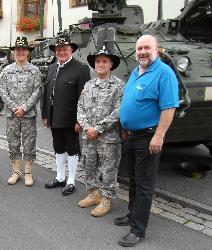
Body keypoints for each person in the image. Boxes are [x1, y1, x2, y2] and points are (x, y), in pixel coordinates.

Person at [115, 35, 179, 247]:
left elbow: (169, 107)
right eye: (139, 48)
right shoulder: (136, 71)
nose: (142, 51)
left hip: (148, 137)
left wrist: (159, 136)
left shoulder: (164, 73)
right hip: (131, 136)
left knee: (144, 185)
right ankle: (133, 215)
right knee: (133, 179)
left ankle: (138, 229)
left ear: (157, 51)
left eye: (147, 48)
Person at [77, 46, 124, 217]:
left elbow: (118, 112)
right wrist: (86, 126)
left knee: (108, 169)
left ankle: (106, 200)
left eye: (105, 61)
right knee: (88, 166)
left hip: (108, 138)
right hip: (88, 136)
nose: (101, 64)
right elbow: (80, 107)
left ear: (111, 64)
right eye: (98, 61)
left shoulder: (119, 86)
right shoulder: (88, 85)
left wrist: (98, 129)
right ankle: (94, 194)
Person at [42, 34, 90, 196]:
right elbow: (46, 93)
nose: (61, 52)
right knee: (58, 147)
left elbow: (83, 98)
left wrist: (80, 120)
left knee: (72, 148)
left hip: (71, 118)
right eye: (58, 49)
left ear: (71, 51)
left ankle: (71, 181)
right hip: (54, 116)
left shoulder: (80, 69)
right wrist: (45, 114)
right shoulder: (51, 68)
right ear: (55, 51)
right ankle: (60, 177)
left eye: (64, 49)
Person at [0, 37, 42, 186]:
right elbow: (2, 90)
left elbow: (37, 92)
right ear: (13, 53)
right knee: (13, 142)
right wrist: (13, 107)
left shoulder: (35, 71)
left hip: (28, 115)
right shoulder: (6, 70)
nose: (20, 52)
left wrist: (24, 108)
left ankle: (28, 173)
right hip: (12, 115)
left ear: (28, 52)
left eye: (23, 49)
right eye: (18, 50)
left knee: (29, 143)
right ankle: (16, 172)